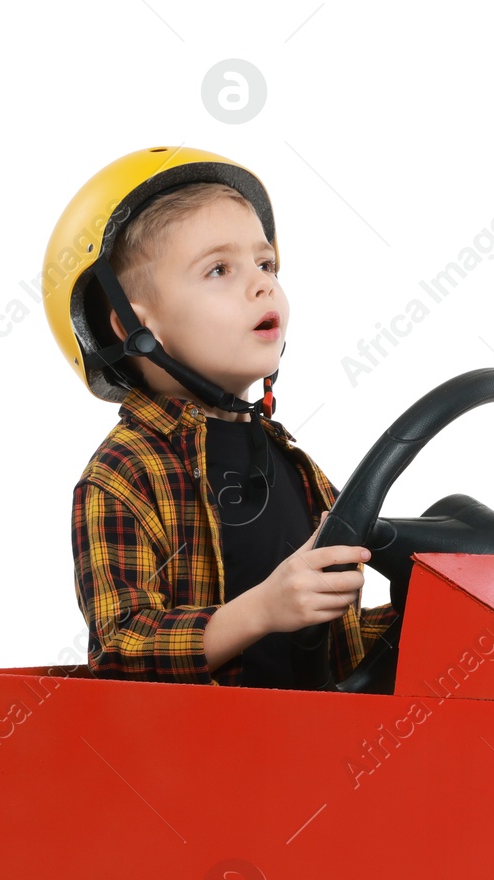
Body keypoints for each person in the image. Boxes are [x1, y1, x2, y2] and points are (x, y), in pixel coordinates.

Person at [44, 146, 396, 687]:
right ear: (137, 329)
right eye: (218, 269)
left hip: (319, 755)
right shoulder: (126, 474)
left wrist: (437, 607)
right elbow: (121, 647)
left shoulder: (293, 462)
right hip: (204, 765)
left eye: (265, 264)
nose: (262, 284)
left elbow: (332, 645)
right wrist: (261, 611)